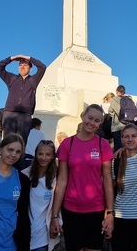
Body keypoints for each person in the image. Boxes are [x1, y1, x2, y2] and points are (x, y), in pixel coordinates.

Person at [51, 104, 114, 251]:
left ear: (100, 124)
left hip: (96, 210)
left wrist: (110, 213)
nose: (92, 123)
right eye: (90, 118)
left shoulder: (102, 145)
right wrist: (54, 215)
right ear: (83, 116)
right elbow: (62, 180)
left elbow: (107, 179)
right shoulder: (67, 144)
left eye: (97, 120)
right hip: (71, 210)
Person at [0, 54, 47, 143]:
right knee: (8, 142)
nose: (22, 67)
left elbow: (42, 67)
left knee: (21, 142)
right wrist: (11, 58)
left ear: (30, 69)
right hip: (9, 113)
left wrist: (28, 58)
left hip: (25, 115)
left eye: (25, 65)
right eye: (20, 65)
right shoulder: (12, 78)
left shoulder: (33, 80)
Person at [22, 140, 62, 251]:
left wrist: (57, 223)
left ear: (53, 156)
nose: (43, 158)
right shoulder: (24, 175)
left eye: (48, 154)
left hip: (43, 234)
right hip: (25, 230)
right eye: (40, 154)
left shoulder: (56, 178)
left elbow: (58, 204)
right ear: (35, 154)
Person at [108, 85, 129, 152]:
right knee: (126, 146)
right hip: (127, 126)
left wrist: (114, 116)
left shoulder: (115, 99)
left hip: (117, 127)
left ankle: (118, 161)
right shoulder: (128, 99)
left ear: (117, 91)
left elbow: (110, 111)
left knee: (118, 148)